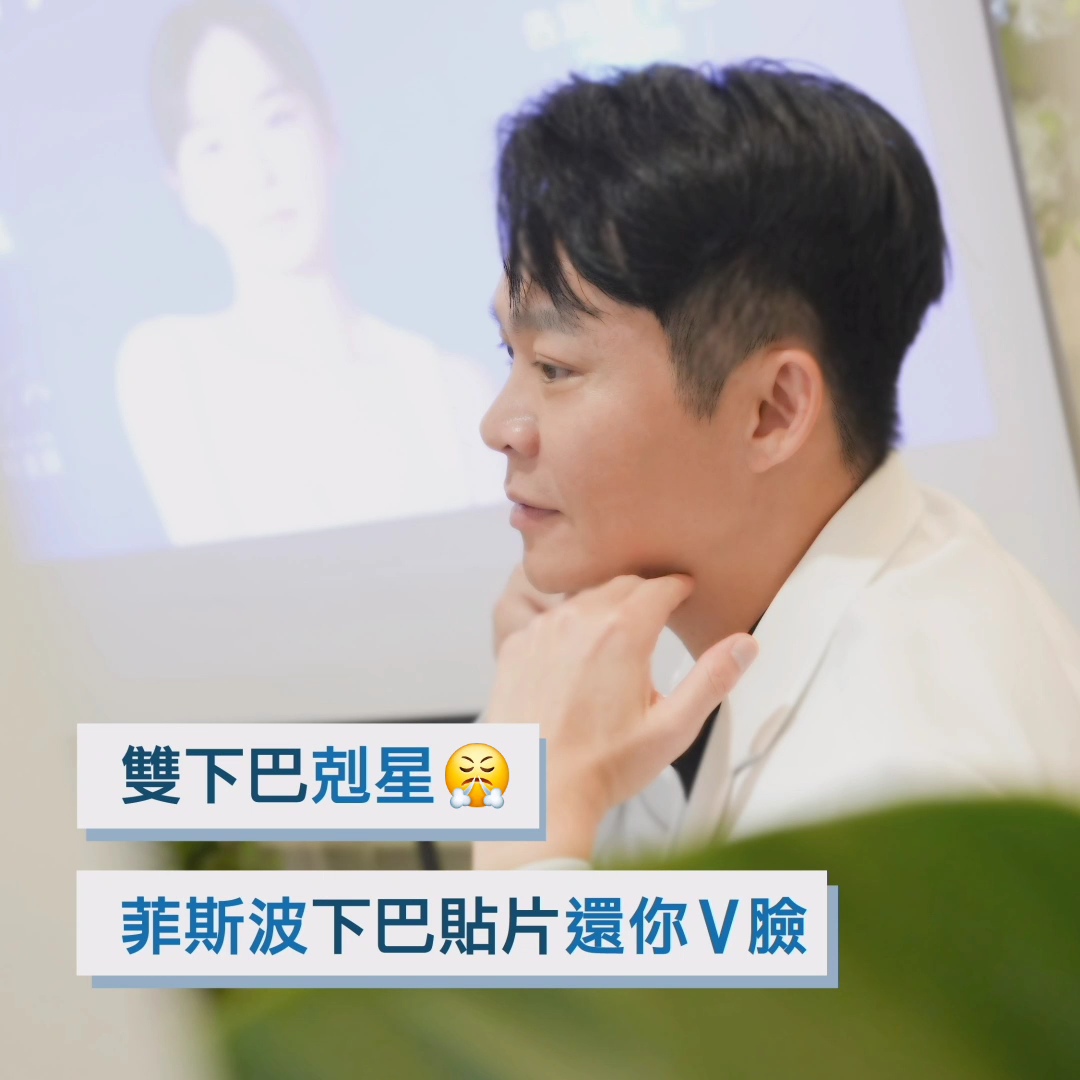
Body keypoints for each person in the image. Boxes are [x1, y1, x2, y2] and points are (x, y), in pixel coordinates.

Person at [472, 61, 1080, 871]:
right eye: (509, 355)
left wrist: (533, 832)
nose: (499, 427)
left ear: (772, 411)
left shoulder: (898, 787)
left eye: (554, 367)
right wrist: (538, 751)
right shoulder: (789, 594)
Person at [117, 0, 502, 546]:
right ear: (184, 189)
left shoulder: (452, 391)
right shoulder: (169, 367)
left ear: (329, 132)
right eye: (213, 146)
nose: (257, 172)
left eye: (276, 119)